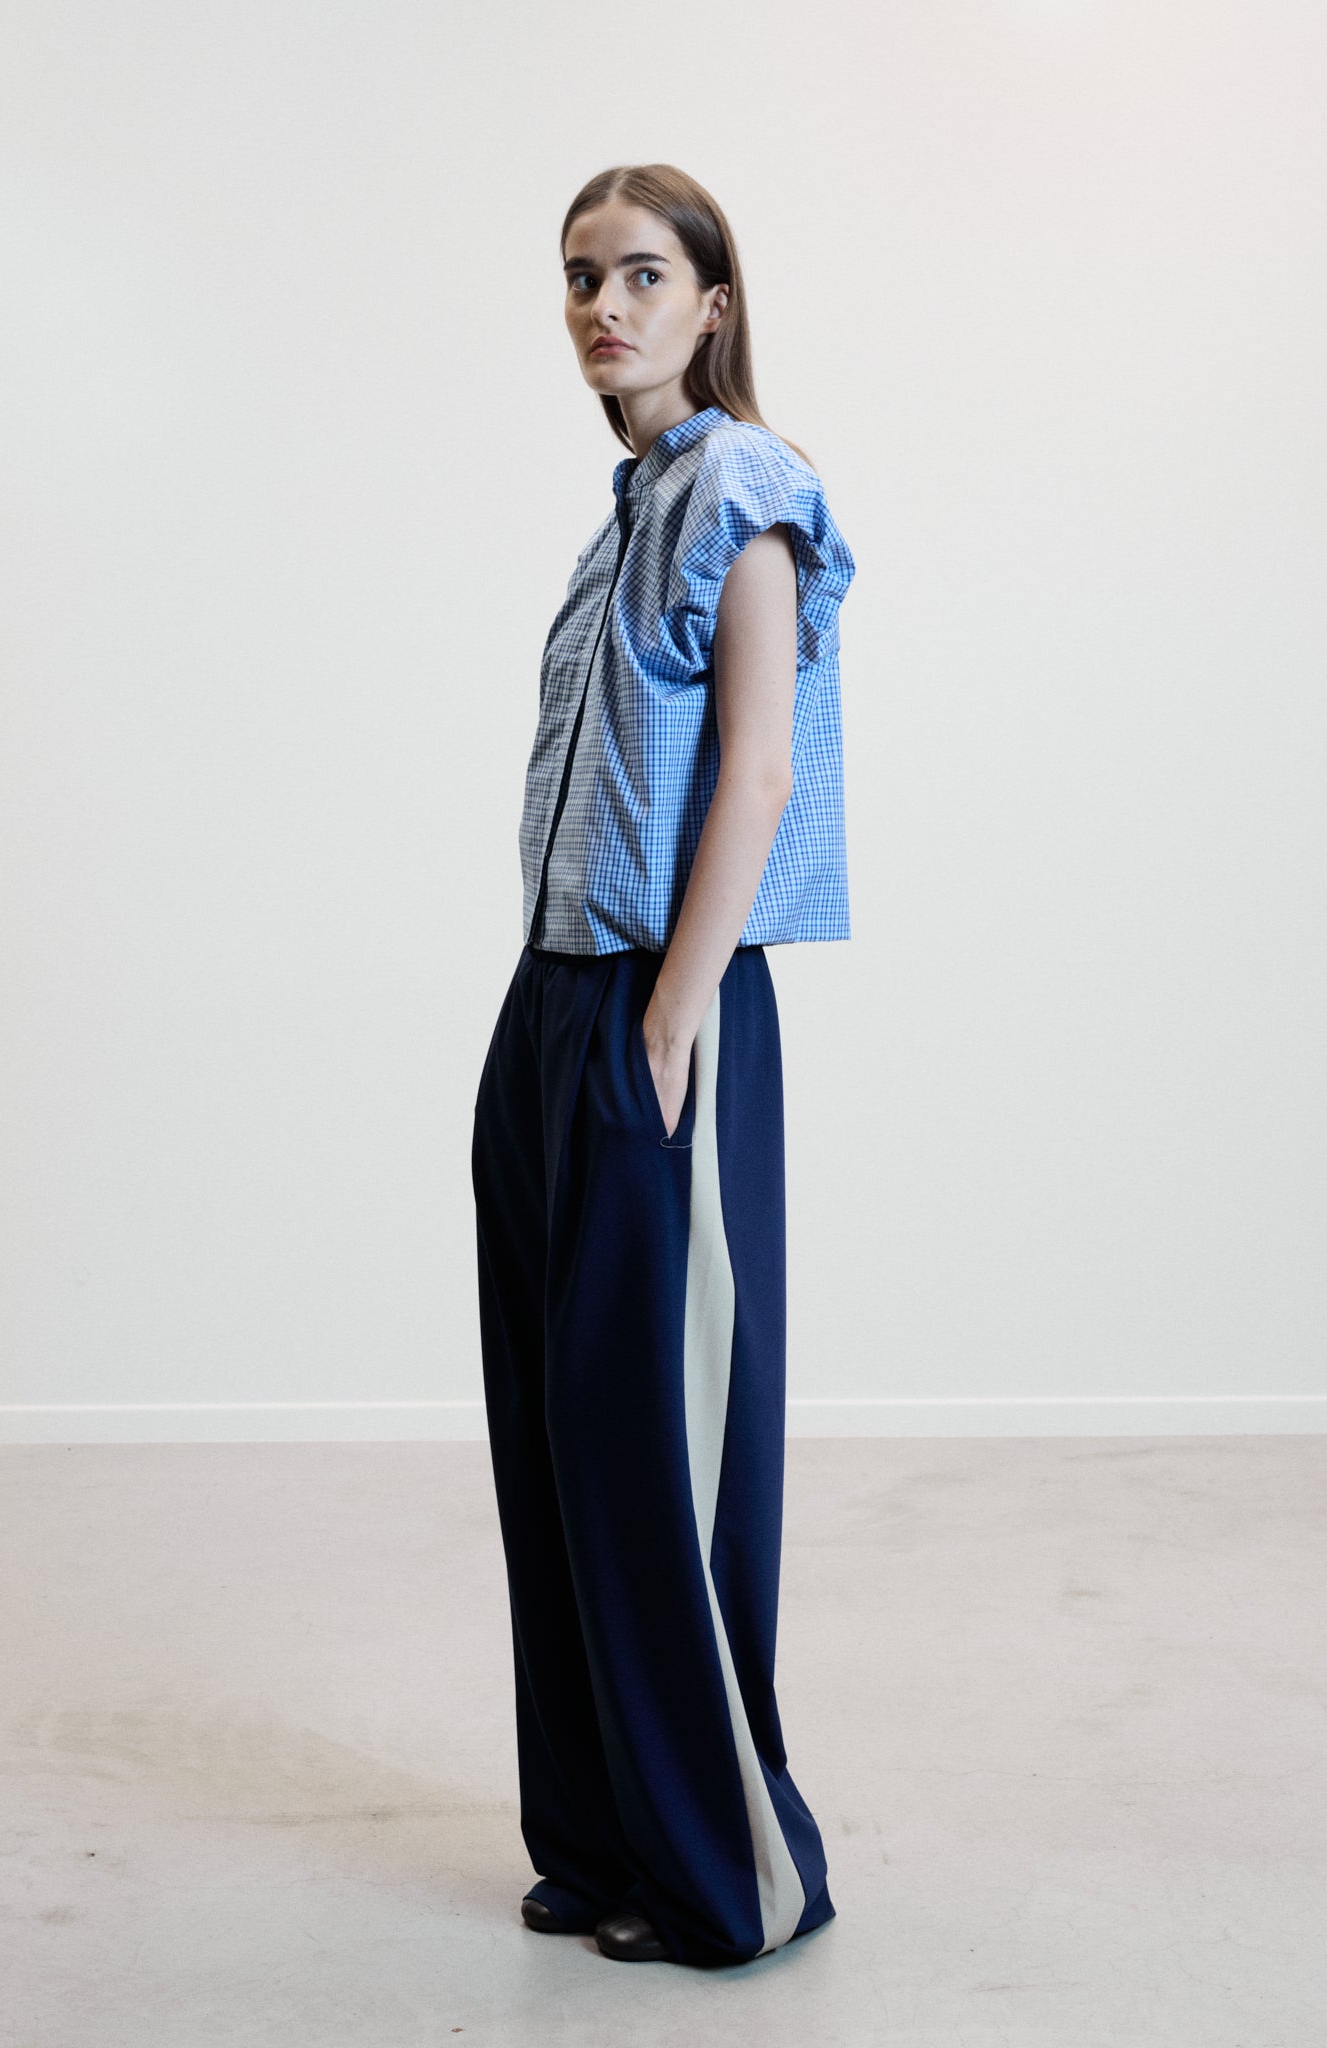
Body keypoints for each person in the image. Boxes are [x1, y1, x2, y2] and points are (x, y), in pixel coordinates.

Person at [469, 162, 856, 1969]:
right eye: (578, 279)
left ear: (712, 302)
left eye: (638, 276)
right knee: (555, 1436)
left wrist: (672, 1015)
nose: (601, 309)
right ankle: (604, 1837)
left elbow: (757, 771)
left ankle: (729, 1877)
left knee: (658, 1448)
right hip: (552, 1000)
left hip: (659, 1002)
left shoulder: (746, 490)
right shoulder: (622, 512)